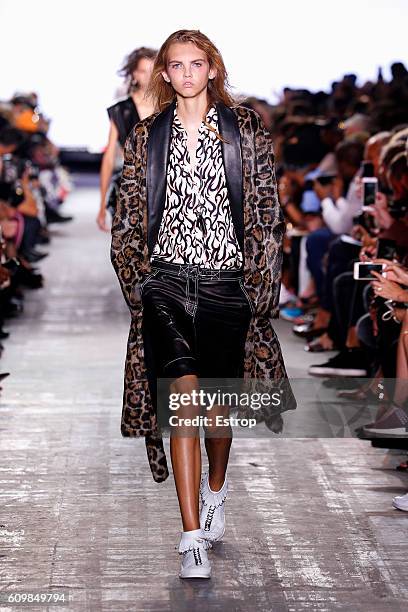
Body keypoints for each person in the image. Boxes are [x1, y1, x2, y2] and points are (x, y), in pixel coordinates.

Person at [110, 29, 296, 580]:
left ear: (212, 68)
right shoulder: (146, 137)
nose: (188, 74)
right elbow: (128, 215)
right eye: (177, 65)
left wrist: (260, 286)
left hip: (226, 285)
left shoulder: (247, 130)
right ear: (164, 74)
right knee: (183, 400)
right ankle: (191, 536)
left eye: (197, 64)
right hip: (166, 281)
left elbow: (267, 210)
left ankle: (216, 488)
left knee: (217, 404)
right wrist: (138, 283)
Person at [96, 47, 157, 232]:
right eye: (142, 71)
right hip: (128, 189)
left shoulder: (170, 106)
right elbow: (109, 158)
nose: (148, 76)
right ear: (133, 74)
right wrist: (101, 204)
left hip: (163, 189)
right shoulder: (121, 110)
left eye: (153, 70)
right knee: (129, 252)